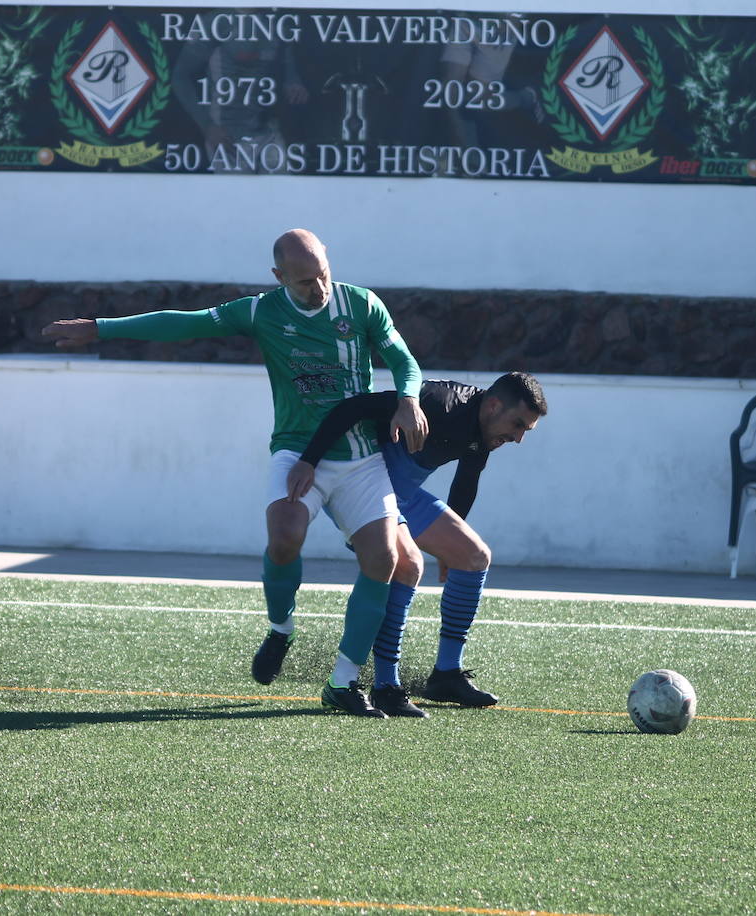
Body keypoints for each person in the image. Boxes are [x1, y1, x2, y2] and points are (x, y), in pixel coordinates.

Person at [41, 228, 428, 718]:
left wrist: (408, 399)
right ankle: (280, 629)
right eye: (305, 281)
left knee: (384, 560)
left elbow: (403, 360)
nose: (319, 289)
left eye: (323, 274)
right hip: (296, 449)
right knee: (284, 537)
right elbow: (186, 324)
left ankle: (343, 683)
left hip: (360, 457)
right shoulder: (262, 311)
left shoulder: (362, 305)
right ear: (279, 276)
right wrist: (102, 328)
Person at [288, 372, 547, 717]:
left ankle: (446, 675)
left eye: (524, 431)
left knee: (473, 556)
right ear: (494, 405)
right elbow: (354, 408)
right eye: (517, 425)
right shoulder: (437, 402)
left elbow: (466, 482)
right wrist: (309, 459)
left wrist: (450, 543)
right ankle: (386, 687)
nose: (517, 438)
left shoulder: (486, 430)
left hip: (404, 494)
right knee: (407, 563)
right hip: (365, 487)